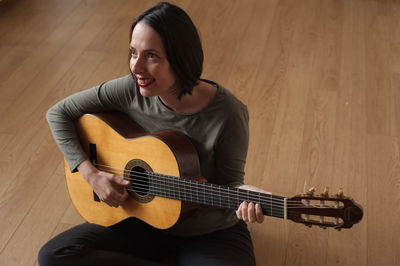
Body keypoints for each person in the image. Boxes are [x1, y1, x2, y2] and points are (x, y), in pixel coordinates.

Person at [39, 2, 268, 265]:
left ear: (181, 58)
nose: (136, 68)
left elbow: (231, 184)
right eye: (133, 53)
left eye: (151, 56)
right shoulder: (130, 89)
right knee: (53, 255)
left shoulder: (229, 112)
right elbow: (58, 113)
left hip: (208, 234)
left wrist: (252, 197)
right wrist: (91, 174)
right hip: (141, 222)